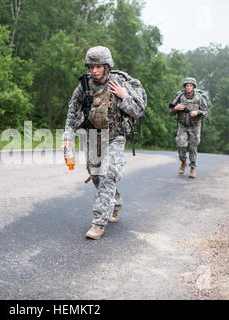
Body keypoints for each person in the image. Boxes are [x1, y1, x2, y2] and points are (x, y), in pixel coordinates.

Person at [61, 46, 146, 240]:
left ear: (107, 67)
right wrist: (68, 137)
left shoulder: (120, 82)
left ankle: (98, 222)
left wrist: (124, 97)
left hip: (115, 135)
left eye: (98, 66)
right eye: (91, 66)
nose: (94, 71)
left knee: (109, 173)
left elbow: (138, 110)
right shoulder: (84, 85)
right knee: (96, 175)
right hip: (93, 135)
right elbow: (72, 112)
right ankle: (115, 202)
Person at [169, 77, 210, 178]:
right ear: (184, 86)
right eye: (187, 85)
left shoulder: (199, 98)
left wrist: (197, 112)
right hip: (182, 125)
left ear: (194, 87)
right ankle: (183, 162)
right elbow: (171, 112)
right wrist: (176, 108)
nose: (188, 87)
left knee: (193, 147)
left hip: (195, 126)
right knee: (180, 145)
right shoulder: (180, 97)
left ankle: (192, 168)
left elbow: (206, 112)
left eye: (190, 85)